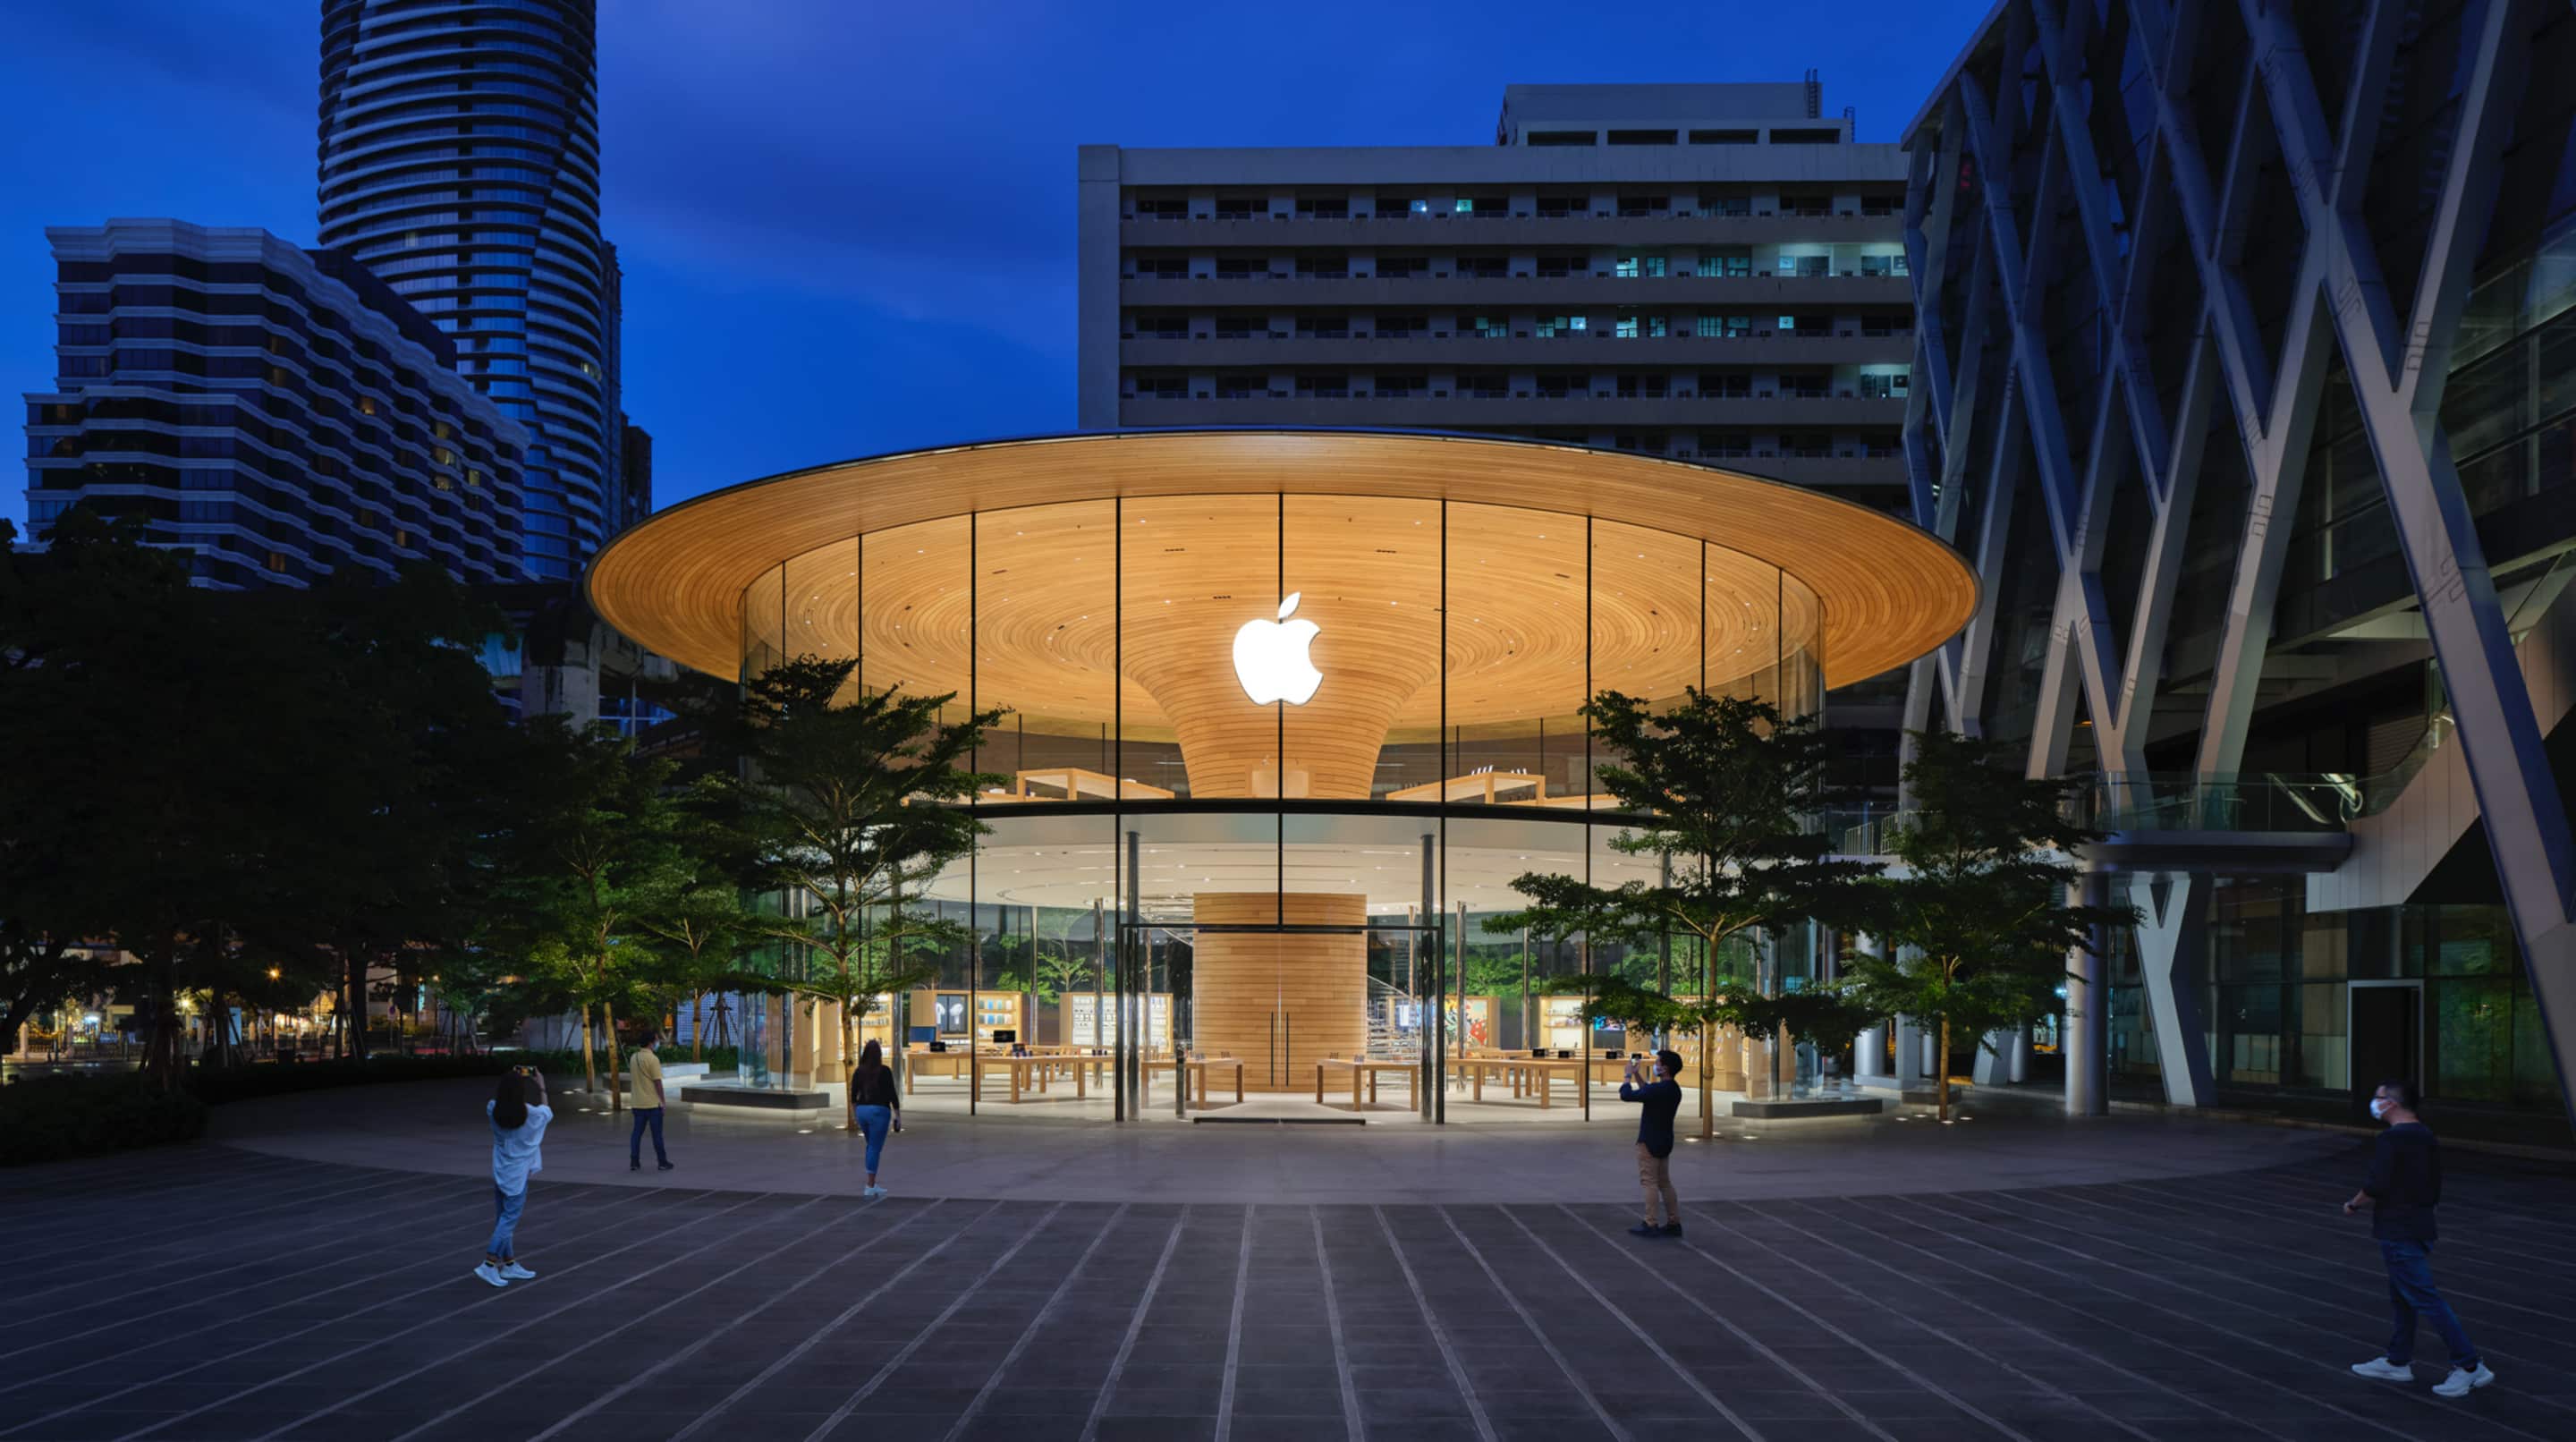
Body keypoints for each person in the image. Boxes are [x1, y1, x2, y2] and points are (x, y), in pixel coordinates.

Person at [2345, 1078, 2492, 1396]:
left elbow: (2376, 1183)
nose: (2374, 1101)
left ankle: (2469, 1365)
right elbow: (2433, 1184)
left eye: (2378, 1097)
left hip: (2398, 1228)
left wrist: (2353, 1204)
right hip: (2421, 1225)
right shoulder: (2425, 1135)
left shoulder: (2392, 1140)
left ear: (2392, 1104)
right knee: (2403, 1297)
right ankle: (2398, 1362)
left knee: (2425, 1298)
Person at [478, 1066, 553, 1288]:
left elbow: (501, 1102)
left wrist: (510, 1078)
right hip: (518, 1175)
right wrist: (541, 1086)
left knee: (503, 1219)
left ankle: (509, 1263)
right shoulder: (531, 1115)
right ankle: (489, 1264)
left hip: (500, 1171)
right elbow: (547, 1112)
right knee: (508, 1222)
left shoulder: (493, 1109)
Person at [1620, 1048, 1686, 1238]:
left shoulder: (1659, 1090)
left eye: (1658, 1063)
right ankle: (1674, 1222)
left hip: (1648, 1141)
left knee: (1649, 1182)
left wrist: (1627, 1076)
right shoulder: (1673, 1089)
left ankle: (1651, 1222)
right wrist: (1637, 1074)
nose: (1655, 1065)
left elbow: (1627, 1095)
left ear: (1665, 1068)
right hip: (1665, 1141)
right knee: (1665, 1183)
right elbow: (1647, 1091)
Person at [848, 1039, 902, 1199]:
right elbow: (892, 1093)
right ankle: (870, 1185)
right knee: (874, 1148)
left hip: (862, 1111)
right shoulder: (885, 1071)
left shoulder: (859, 1071)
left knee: (871, 1145)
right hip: (879, 1111)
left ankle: (872, 1182)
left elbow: (853, 1095)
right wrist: (898, 1115)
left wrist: (855, 1114)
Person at [628, 1028, 674, 1173]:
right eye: (656, 1039)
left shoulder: (633, 1057)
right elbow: (657, 1083)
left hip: (637, 1102)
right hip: (653, 1104)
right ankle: (662, 1162)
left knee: (636, 1134)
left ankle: (634, 1162)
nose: (658, 1041)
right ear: (651, 1042)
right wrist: (663, 1102)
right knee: (657, 1135)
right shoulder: (653, 1059)